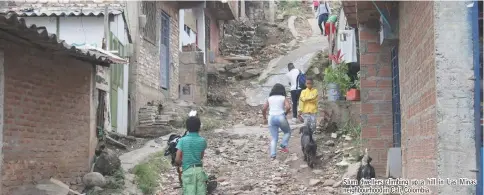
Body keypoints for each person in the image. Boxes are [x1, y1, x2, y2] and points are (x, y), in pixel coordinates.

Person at [175, 116, 208, 195]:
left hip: (188, 172)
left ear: (187, 128)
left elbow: (177, 158)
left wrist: (179, 163)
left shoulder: (182, 140)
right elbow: (201, 157)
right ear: (199, 127)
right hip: (199, 171)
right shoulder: (202, 141)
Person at [262, 83, 292, 160]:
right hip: (280, 117)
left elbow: (264, 109)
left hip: (271, 118)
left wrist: (264, 118)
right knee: (287, 132)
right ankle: (283, 145)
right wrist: (285, 113)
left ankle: (273, 155)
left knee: (274, 138)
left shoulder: (270, 98)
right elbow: (288, 107)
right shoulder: (283, 97)